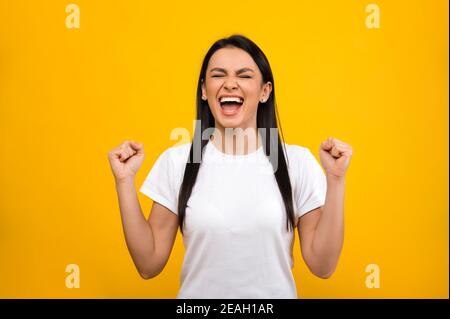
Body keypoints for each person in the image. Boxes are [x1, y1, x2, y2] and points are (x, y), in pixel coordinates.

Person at [107, 34, 353, 299]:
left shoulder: (297, 163)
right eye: (218, 75)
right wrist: (124, 182)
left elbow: (323, 265)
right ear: (204, 90)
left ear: (264, 91)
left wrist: (336, 181)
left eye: (244, 76)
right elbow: (148, 264)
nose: (230, 84)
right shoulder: (177, 162)